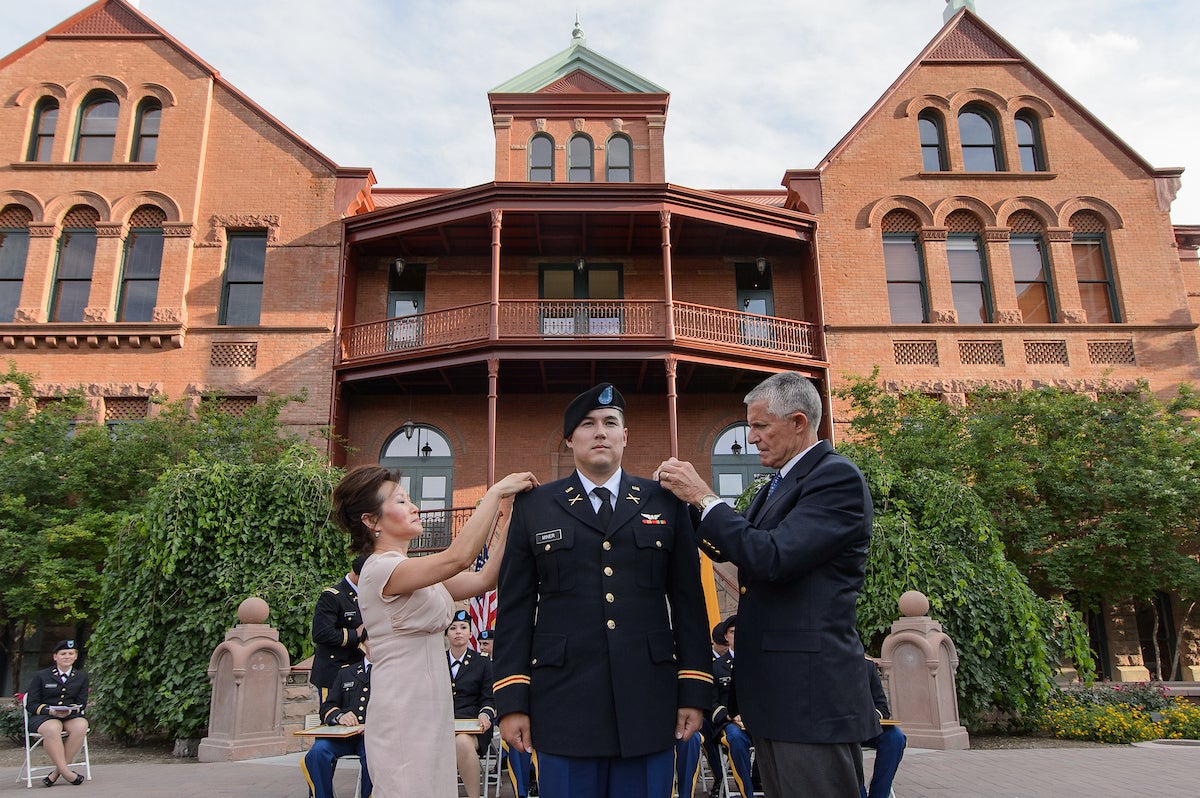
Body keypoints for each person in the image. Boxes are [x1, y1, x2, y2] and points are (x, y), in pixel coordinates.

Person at [655, 371, 879, 798]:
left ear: (798, 422)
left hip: (810, 696)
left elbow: (771, 557)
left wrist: (704, 497)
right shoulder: (776, 484)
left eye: (760, 426)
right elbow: (733, 548)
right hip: (777, 695)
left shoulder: (836, 479)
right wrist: (682, 506)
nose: (751, 436)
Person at [494, 382, 712, 798]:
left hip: (649, 702)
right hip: (563, 705)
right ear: (569, 439)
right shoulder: (536, 506)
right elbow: (515, 611)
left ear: (625, 437)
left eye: (611, 423)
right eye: (588, 424)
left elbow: (688, 603)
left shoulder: (665, 503)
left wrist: (695, 689)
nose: (600, 432)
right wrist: (512, 700)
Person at [332, 464, 537, 798]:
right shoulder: (380, 569)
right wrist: (495, 492)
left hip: (432, 701)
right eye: (400, 501)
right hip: (402, 702)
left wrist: (511, 514)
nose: (414, 507)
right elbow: (459, 557)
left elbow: (483, 579)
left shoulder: (413, 570)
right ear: (371, 521)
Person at [301, 641, 374, 798]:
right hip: (343, 736)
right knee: (318, 752)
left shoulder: (391, 674)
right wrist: (340, 716)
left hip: (372, 736)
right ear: (363, 644)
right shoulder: (346, 673)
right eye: (372, 639)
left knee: (374, 756)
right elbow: (327, 707)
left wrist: (374, 725)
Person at [24, 639, 88, 786]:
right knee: (53, 728)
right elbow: (31, 704)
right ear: (55, 657)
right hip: (44, 717)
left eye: (71, 653)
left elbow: (81, 703)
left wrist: (69, 710)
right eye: (63, 653)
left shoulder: (81, 677)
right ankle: (66, 773)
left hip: (69, 715)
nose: (67, 656)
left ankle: (56, 773)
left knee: (81, 725)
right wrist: (50, 711)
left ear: (76, 656)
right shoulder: (41, 676)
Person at [447, 609, 496, 798]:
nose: (458, 631)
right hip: (442, 725)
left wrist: (485, 714)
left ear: (470, 633)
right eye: (453, 628)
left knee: (461, 742)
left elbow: (489, 697)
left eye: (463, 627)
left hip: (474, 726)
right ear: (446, 633)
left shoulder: (483, 663)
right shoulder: (436, 661)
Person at [310, 554, 367, 700]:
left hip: (359, 671)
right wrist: (356, 634)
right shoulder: (333, 596)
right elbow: (321, 633)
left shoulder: (368, 595)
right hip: (334, 672)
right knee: (332, 716)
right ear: (357, 574)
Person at [707, 617, 753, 798]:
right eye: (733, 632)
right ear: (726, 636)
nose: (737, 635)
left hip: (757, 721)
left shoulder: (756, 662)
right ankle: (746, 793)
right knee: (736, 738)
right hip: (731, 724)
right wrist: (731, 716)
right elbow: (711, 702)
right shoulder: (716, 667)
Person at [861, 658, 905, 798]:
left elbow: (882, 709)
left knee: (895, 737)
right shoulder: (827, 665)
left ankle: (879, 794)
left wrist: (868, 716)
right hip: (841, 733)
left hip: (867, 728)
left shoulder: (867, 666)